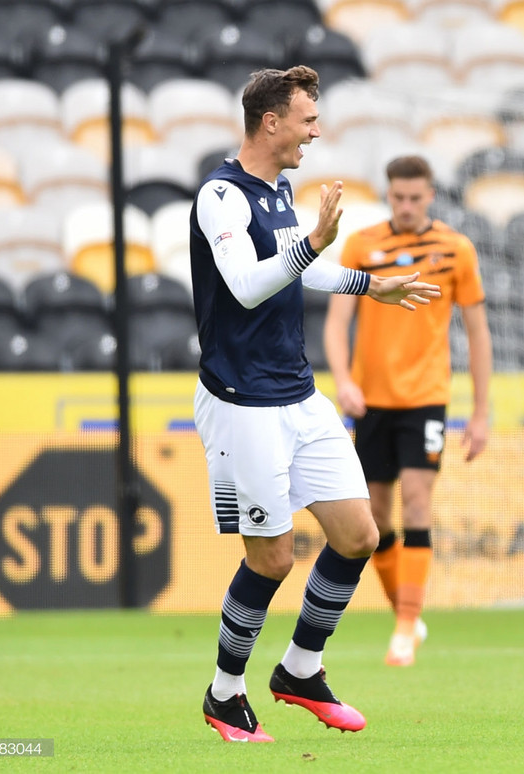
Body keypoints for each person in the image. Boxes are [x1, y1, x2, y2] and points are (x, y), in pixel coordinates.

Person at [190, 65, 440, 743]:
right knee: (271, 559)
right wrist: (313, 245)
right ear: (271, 122)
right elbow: (245, 285)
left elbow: (301, 264)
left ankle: (301, 669)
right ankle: (225, 694)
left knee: (359, 535)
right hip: (242, 403)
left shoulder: (279, 190)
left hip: (297, 393)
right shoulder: (220, 196)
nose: (316, 130)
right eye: (307, 119)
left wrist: (368, 283)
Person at [325, 155, 492, 667]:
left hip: (426, 397)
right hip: (371, 400)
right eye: (398, 197)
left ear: (432, 194)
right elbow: (336, 323)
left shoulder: (454, 248)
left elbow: (478, 332)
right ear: (388, 194)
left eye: (416, 197)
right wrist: (345, 381)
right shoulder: (361, 244)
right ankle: (408, 612)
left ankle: (402, 629)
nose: (406, 206)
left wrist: (481, 411)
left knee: (417, 503)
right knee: (375, 517)